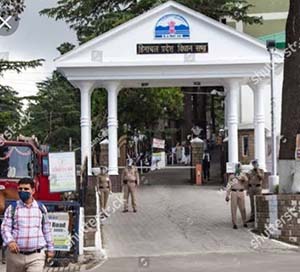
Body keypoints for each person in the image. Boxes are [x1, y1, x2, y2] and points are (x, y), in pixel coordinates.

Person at [1, 178, 54, 272]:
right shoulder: (12, 208)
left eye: (26, 189)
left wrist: (50, 248)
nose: (23, 191)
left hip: (36, 256)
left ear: (33, 191)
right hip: (15, 256)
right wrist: (10, 241)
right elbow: (5, 228)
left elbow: (46, 229)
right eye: (20, 189)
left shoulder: (41, 208)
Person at [225, 163, 248, 229]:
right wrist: (227, 195)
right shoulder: (231, 176)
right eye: (237, 167)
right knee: (233, 208)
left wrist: (240, 175)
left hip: (241, 192)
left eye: (239, 167)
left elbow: (246, 180)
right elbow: (229, 186)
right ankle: (234, 223)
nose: (238, 168)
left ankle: (244, 222)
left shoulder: (243, 175)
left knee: (243, 208)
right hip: (234, 192)